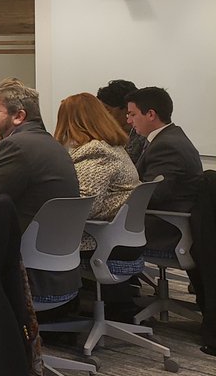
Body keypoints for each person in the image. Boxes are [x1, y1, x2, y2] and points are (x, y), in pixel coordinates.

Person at [0, 78, 79, 233]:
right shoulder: (52, 143)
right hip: (54, 239)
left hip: (23, 240)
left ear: (19, 116)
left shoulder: (14, 146)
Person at [54, 93, 139, 250]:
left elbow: (85, 207)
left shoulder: (95, 150)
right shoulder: (112, 147)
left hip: (96, 241)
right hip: (118, 236)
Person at [127, 86, 203, 248]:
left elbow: (151, 196)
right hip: (163, 221)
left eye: (132, 114)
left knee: (89, 231)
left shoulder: (166, 146)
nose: (129, 121)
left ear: (151, 114)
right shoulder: (170, 137)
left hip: (164, 228)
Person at [96, 78, 147, 162]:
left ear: (127, 108)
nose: (103, 116)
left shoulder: (146, 138)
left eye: (107, 110)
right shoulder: (102, 136)